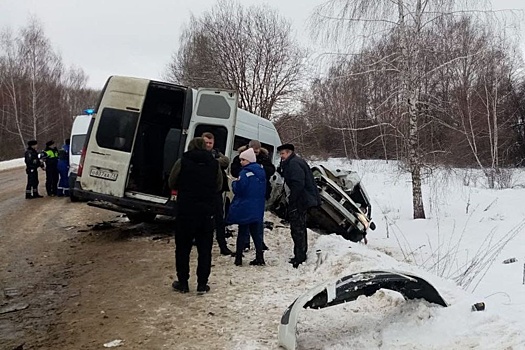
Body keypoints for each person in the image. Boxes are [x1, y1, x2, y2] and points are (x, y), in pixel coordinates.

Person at [168, 137, 222, 294]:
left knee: (182, 248)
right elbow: (218, 185)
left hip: (186, 211)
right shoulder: (214, 163)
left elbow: (172, 182)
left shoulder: (182, 161)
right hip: (206, 213)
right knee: (205, 250)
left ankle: (183, 283)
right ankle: (202, 284)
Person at [277, 143, 321, 268]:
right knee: (299, 228)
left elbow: (298, 184)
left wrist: (292, 200)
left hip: (300, 201)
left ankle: (300, 257)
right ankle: (300, 254)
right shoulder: (295, 162)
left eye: (283, 154)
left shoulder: (294, 164)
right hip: (302, 200)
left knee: (297, 229)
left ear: (289, 152)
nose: (281, 156)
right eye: (280, 154)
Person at [231, 140, 276, 251]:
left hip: (259, 194)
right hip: (247, 194)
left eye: (257, 152)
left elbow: (271, 170)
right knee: (246, 220)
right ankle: (247, 243)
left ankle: (259, 243)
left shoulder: (264, 158)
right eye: (254, 152)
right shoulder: (240, 158)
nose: (256, 154)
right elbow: (234, 170)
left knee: (257, 220)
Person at [226, 148, 266, 266]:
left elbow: (239, 189)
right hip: (257, 207)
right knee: (256, 233)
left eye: (243, 159)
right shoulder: (261, 172)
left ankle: (238, 258)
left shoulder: (244, 173)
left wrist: (234, 183)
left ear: (248, 160)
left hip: (245, 207)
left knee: (242, 232)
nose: (241, 162)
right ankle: (260, 257)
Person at [202, 132, 232, 256]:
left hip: (216, 192)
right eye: (206, 143)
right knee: (202, 219)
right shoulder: (198, 154)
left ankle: (222, 245)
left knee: (220, 220)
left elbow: (225, 161)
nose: (208, 145)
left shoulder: (216, 153)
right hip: (203, 192)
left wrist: (214, 160)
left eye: (210, 143)